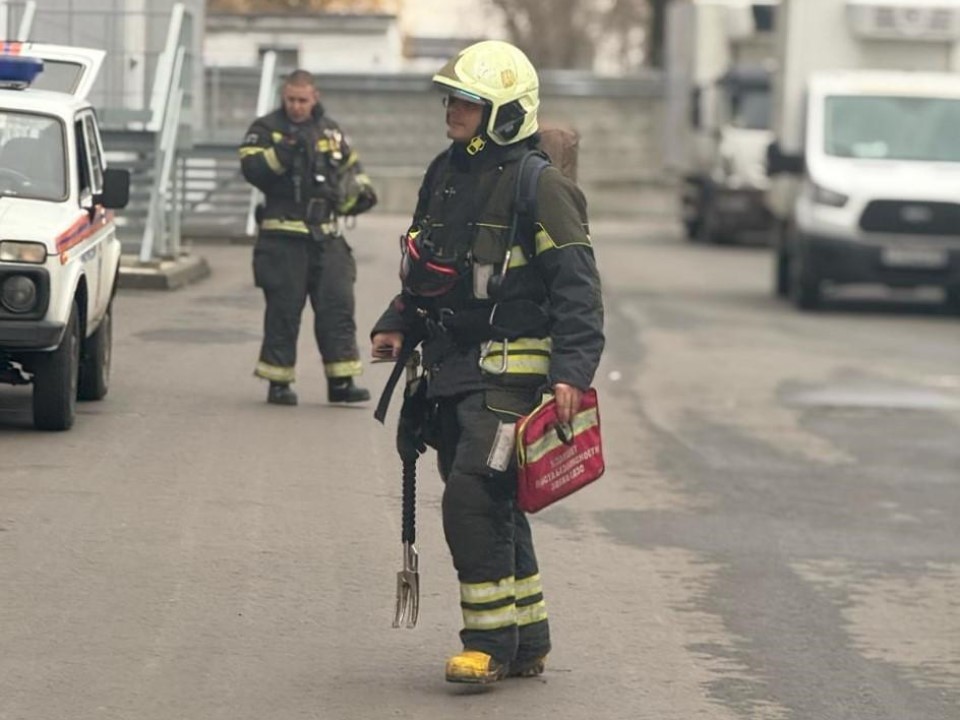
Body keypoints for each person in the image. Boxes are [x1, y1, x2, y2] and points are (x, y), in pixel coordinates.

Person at [370, 41, 604, 684]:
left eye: (467, 101)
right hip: (452, 368)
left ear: (504, 112)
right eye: (451, 98)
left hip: (513, 374)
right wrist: (398, 321)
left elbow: (578, 289)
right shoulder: (446, 172)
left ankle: (490, 644)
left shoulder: (541, 187)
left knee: (472, 493)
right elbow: (430, 268)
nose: (452, 109)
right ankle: (529, 639)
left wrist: (572, 375)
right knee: (495, 498)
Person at [240, 69, 377, 406]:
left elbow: (351, 169)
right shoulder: (266, 129)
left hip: (327, 236)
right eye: (291, 100)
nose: (297, 107)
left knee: (338, 306)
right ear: (283, 97)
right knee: (283, 312)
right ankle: (278, 382)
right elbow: (252, 170)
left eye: (302, 100)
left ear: (314, 97)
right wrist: (285, 151)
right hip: (283, 236)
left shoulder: (330, 130)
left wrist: (360, 193)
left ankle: (342, 381)